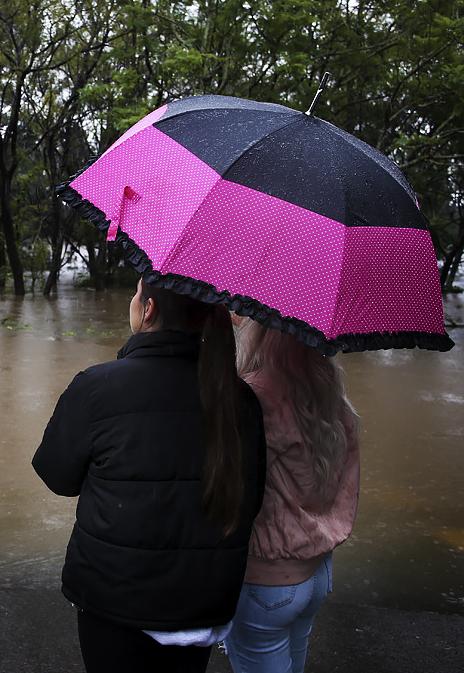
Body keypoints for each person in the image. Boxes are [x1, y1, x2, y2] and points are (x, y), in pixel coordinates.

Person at [33, 278, 267, 673]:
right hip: (201, 604)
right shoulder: (240, 399)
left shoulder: (97, 386)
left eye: (137, 291)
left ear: (149, 310)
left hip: (113, 600)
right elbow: (251, 500)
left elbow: (56, 476)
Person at [223, 319, 360, 673]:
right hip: (317, 569)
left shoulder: (254, 396)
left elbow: (224, 487)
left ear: (262, 334)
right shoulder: (330, 394)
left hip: (266, 580)